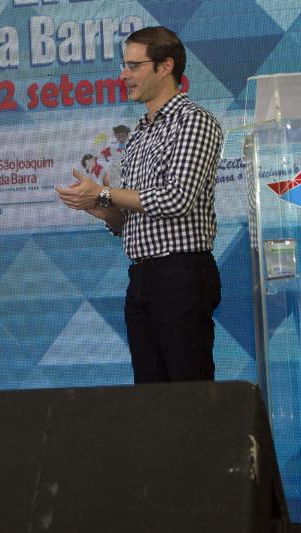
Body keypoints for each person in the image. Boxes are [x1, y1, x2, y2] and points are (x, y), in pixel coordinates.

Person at [57, 26, 223, 384]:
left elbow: (175, 199)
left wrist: (105, 192)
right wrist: (96, 204)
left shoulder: (193, 120)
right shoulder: (140, 133)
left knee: (189, 396)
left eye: (133, 65)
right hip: (142, 277)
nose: (123, 74)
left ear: (165, 66)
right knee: (150, 400)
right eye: (124, 65)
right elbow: (128, 221)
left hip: (181, 275)